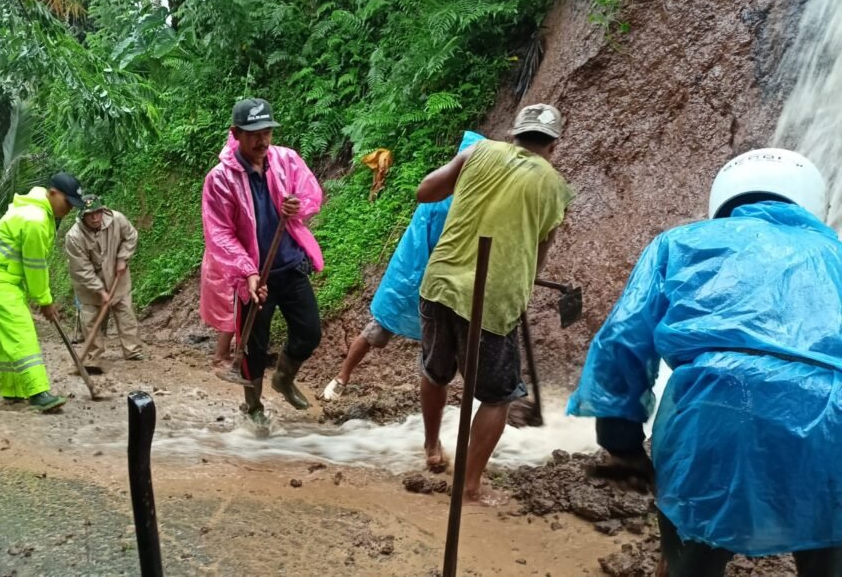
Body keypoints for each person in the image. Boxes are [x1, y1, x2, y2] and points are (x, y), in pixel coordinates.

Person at [568, 148, 842, 576]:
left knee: (692, 558)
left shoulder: (679, 243)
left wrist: (620, 439)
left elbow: (623, 339)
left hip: (715, 411)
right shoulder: (836, 254)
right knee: (829, 552)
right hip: (833, 420)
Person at [415, 104, 574, 505]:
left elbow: (425, 191)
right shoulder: (555, 187)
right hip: (493, 297)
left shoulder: (479, 151)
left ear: (513, 134)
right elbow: (539, 256)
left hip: (440, 282)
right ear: (553, 145)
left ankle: (432, 447)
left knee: (435, 371)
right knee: (497, 396)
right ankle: (468, 485)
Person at [322, 131, 485, 401]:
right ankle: (341, 378)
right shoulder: (443, 198)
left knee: (447, 344)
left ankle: (471, 400)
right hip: (411, 274)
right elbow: (422, 242)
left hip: (441, 281)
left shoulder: (470, 199)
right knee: (378, 329)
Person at [202, 98, 324, 423]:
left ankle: (283, 378)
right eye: (254, 133)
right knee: (253, 347)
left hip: (290, 264)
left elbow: (311, 193)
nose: (262, 140)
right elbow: (220, 234)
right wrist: (247, 272)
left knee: (310, 332)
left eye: (267, 131)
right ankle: (254, 407)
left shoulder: (286, 160)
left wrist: (298, 206)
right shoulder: (220, 179)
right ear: (235, 133)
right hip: (254, 276)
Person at [0, 172, 86, 412]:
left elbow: (31, 263)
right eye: (67, 203)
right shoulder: (35, 220)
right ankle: (37, 392)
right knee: (21, 330)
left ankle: (12, 389)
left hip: (3, 275)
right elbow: (35, 266)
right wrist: (45, 301)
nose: (69, 210)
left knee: (8, 333)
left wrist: (43, 298)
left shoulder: (39, 211)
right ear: (53, 193)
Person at [64, 194, 145, 373]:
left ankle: (133, 350)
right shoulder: (74, 237)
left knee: (125, 313)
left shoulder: (117, 219)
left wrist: (122, 258)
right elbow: (82, 269)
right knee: (90, 319)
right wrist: (100, 291)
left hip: (117, 277)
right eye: (90, 215)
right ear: (82, 216)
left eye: (97, 213)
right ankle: (94, 356)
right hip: (89, 285)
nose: (95, 218)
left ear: (103, 210)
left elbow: (131, 236)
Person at [200, 252, 235, 369]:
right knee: (232, 312)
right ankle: (220, 357)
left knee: (233, 311)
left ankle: (225, 354)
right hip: (223, 269)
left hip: (221, 266)